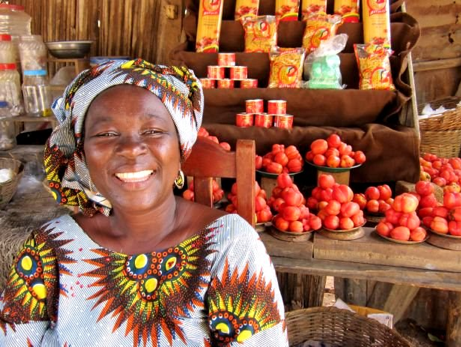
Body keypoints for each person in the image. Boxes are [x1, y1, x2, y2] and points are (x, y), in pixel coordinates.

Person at [0, 59, 288, 346]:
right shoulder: (50, 247)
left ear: (180, 147)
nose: (130, 149)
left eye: (152, 131)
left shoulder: (229, 247)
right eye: (106, 134)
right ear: (82, 154)